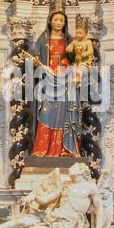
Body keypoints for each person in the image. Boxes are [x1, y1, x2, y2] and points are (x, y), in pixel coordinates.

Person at [28, 8, 81, 157]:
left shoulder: (69, 40)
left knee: (64, 116)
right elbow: (34, 59)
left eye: (61, 20)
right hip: (48, 82)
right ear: (50, 21)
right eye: (56, 19)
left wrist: (67, 66)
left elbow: (77, 59)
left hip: (64, 83)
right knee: (46, 113)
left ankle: (64, 149)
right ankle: (42, 150)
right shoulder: (42, 40)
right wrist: (38, 63)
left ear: (65, 23)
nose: (58, 22)